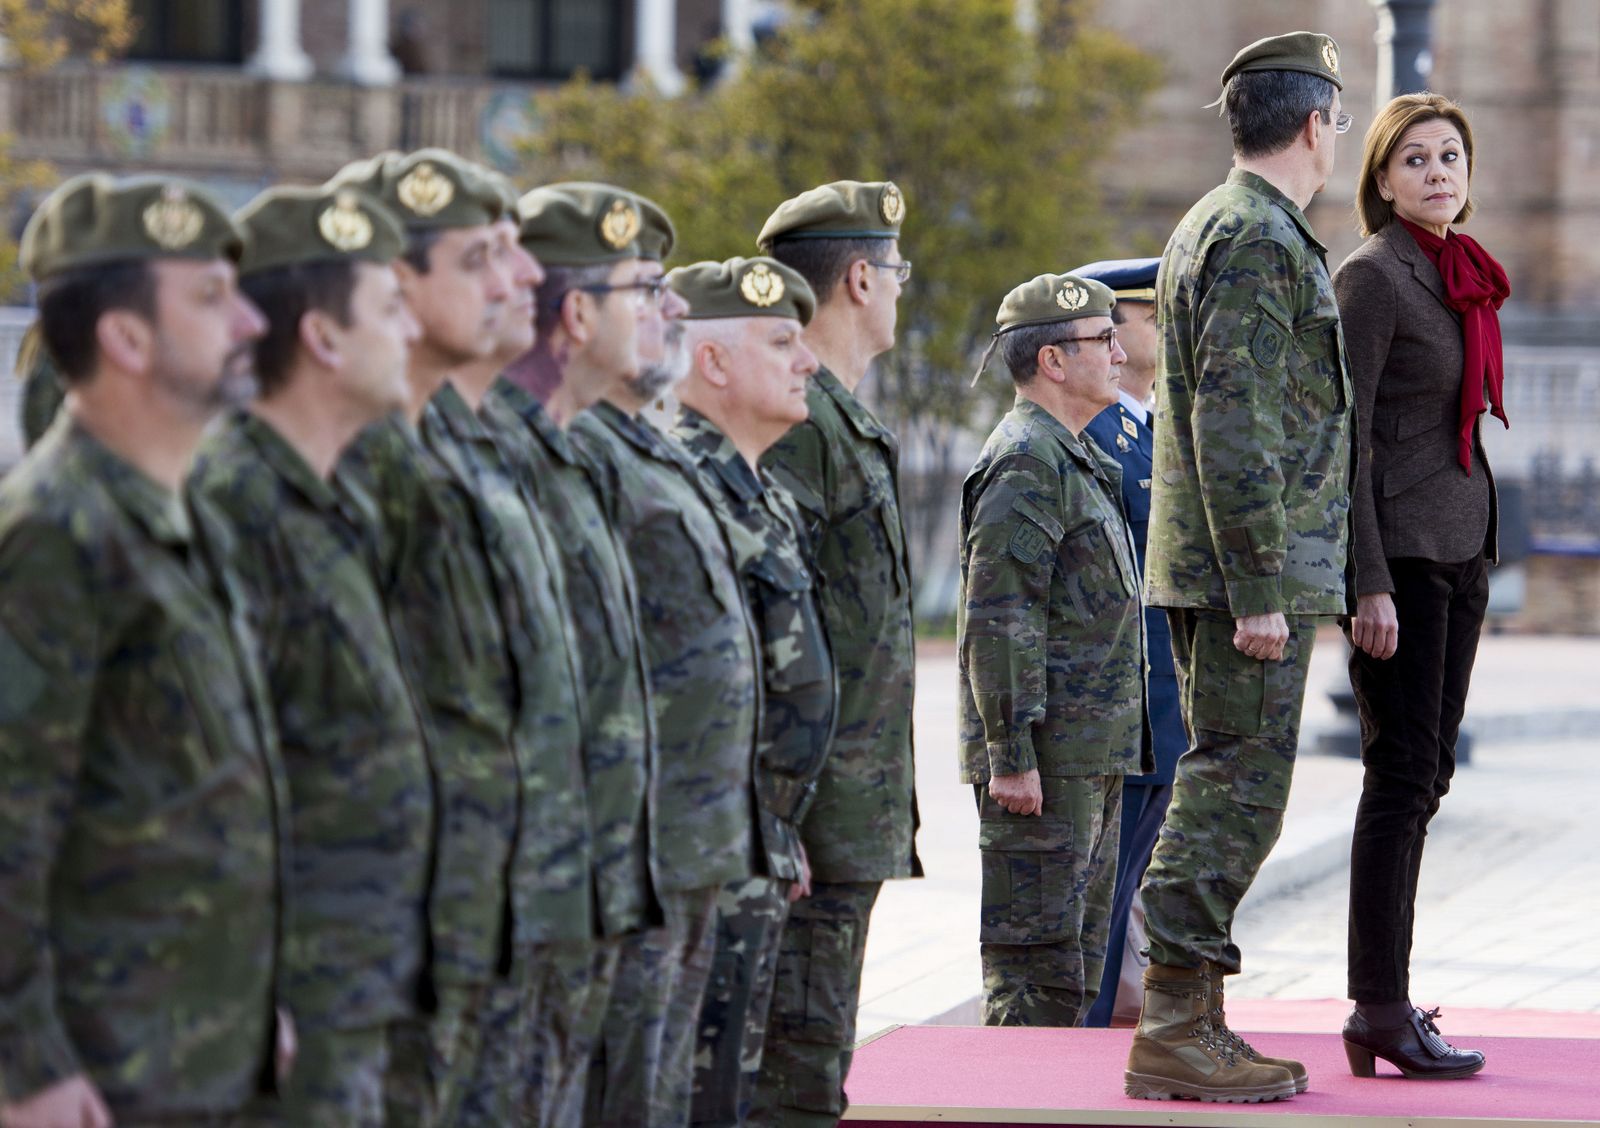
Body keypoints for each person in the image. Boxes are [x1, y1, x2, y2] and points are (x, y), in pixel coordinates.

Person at [0, 174, 287, 1126]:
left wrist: (255, 1000)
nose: (251, 322)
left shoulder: (178, 516)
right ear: (126, 338)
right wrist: (25, 1066)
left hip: (202, 1043)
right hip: (106, 1066)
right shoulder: (54, 534)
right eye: (211, 298)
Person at [1128, 31, 1355, 1103]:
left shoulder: (1224, 223)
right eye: (1337, 121)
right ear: (1315, 125)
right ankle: (1173, 1024)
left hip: (1222, 565)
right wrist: (1260, 587)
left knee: (1231, 784)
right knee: (1233, 793)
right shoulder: (1257, 236)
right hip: (1240, 578)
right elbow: (1237, 421)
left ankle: (1195, 1015)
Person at [189, 182, 435, 1128]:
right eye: (389, 309)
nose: (410, 332)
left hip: (357, 971)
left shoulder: (337, 497)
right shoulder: (232, 500)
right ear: (324, 338)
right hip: (287, 991)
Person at [563, 198, 767, 1128]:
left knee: (661, 1091)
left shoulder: (640, 445)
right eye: (647, 289)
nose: (674, 308)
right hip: (625, 848)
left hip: (689, 834)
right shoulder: (582, 454)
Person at [1332, 91, 1504, 1081]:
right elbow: (1346, 442)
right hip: (1398, 562)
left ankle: (1386, 1002)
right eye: (1415, 160)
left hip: (1459, 546)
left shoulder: (1458, 269)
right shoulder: (1372, 276)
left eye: (1449, 157)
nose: (1437, 173)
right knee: (1399, 779)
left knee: (1426, 774)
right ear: (1383, 179)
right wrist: (1366, 582)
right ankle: (1379, 1009)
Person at [485, 181, 661, 1124]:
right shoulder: (494, 461)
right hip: (514, 911)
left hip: (584, 887)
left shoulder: (560, 454)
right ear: (580, 316)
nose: (666, 306)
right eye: (644, 289)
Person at [752, 180, 922, 1126]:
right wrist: (784, 813)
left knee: (814, 1064)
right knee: (795, 1078)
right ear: (860, 279)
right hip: (815, 813)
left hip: (848, 808)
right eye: (896, 271)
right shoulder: (802, 423)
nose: (899, 288)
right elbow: (776, 627)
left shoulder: (840, 418)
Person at [667, 256, 834, 1127]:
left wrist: (778, 822)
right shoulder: (682, 489)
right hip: (704, 851)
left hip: (756, 841)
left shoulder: (760, 492)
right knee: (695, 1092)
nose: (807, 361)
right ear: (713, 362)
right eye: (781, 342)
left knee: (733, 1086)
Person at [960, 272, 1146, 1027]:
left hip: (1086, 754)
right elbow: (1000, 616)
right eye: (1104, 339)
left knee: (1073, 974)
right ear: (1053, 361)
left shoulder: (1069, 454)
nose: (1121, 354)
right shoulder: (1026, 460)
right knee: (1035, 977)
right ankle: (1012, 1094)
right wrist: (1010, 755)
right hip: (1044, 764)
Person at [1072, 258, 1187, 1029]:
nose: (1170, 328)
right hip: (1121, 704)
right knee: (1098, 901)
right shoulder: (1098, 434)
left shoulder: (1150, 427)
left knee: (1125, 893)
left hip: (1160, 700)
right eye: (1155, 313)